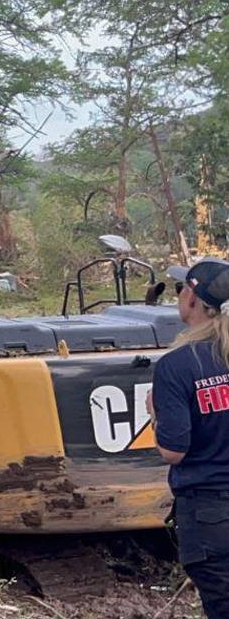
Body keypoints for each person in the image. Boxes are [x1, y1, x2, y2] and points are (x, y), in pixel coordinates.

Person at [151, 259, 229, 619]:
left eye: (182, 287)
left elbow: (173, 450)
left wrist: (156, 415)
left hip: (211, 515)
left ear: (194, 300)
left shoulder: (177, 366)